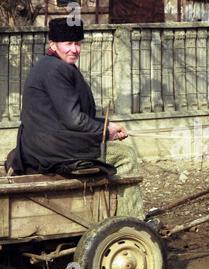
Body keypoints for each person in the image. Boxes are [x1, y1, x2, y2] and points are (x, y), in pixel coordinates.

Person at [6, 18, 143, 218]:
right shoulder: (57, 69)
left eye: (77, 43)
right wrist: (105, 131)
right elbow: (74, 120)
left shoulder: (48, 65)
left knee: (116, 151)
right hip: (53, 149)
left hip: (44, 143)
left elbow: (69, 117)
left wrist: (107, 126)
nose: (74, 49)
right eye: (68, 44)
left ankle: (112, 216)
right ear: (52, 44)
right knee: (126, 156)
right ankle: (132, 222)